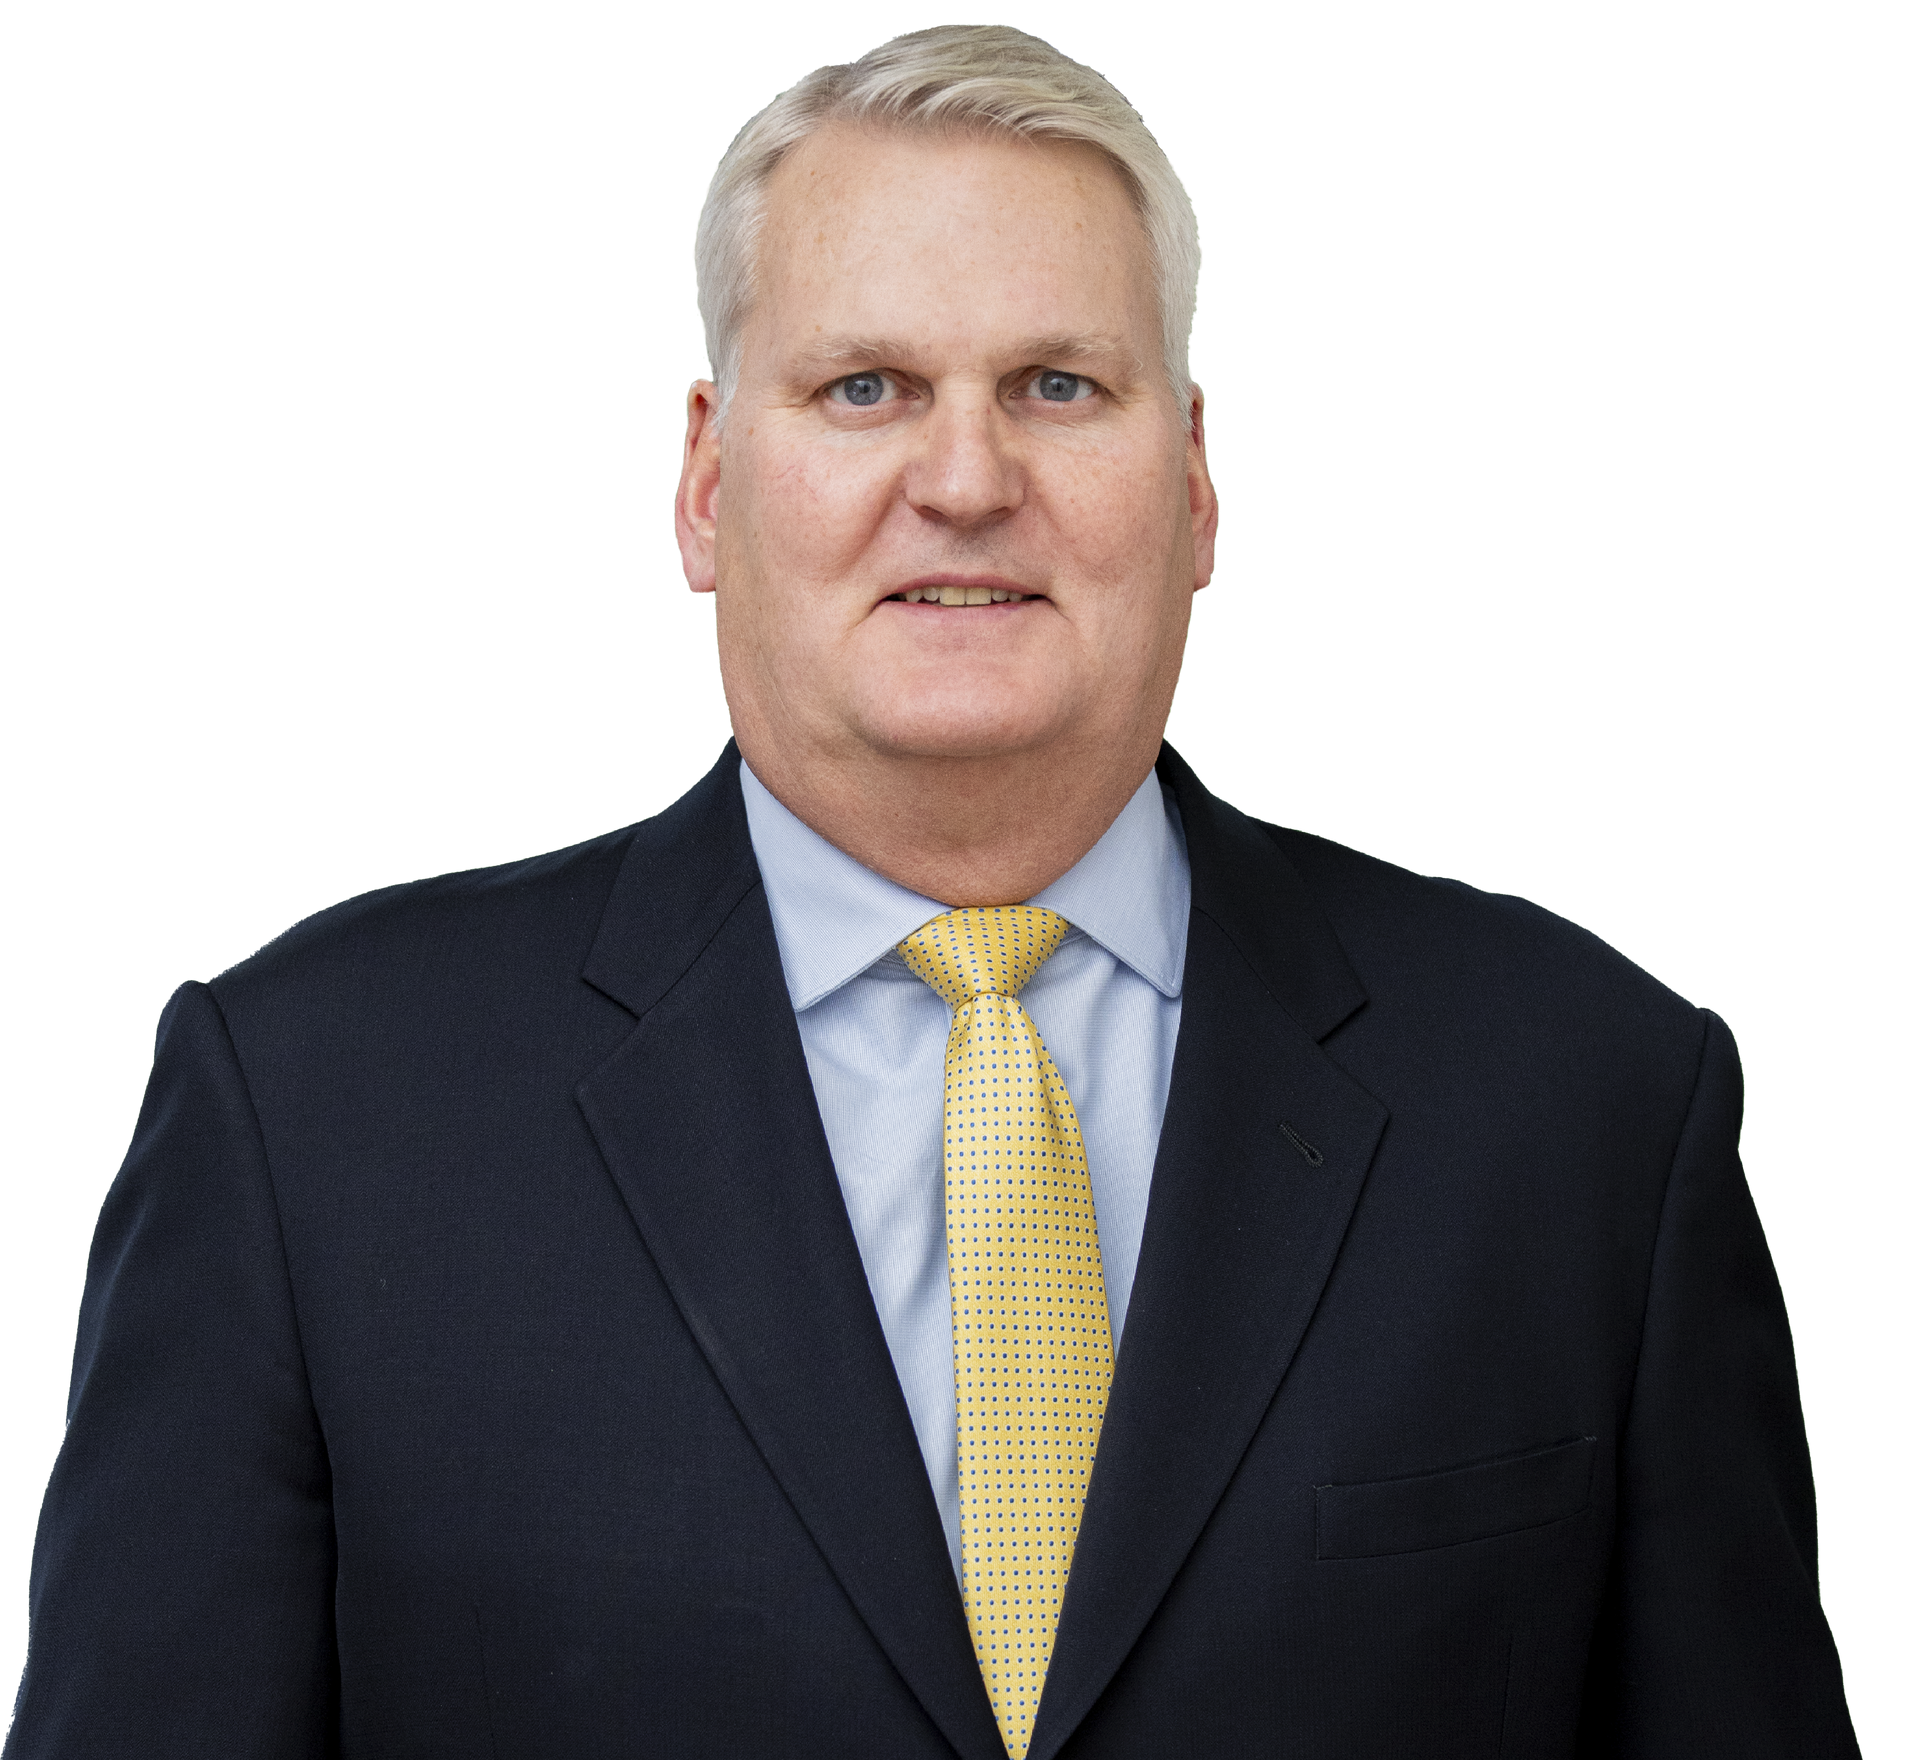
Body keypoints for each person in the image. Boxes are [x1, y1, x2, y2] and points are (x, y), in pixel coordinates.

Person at [6, 23, 1854, 1760]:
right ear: (710, 484)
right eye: (865, 386)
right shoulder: (308, 1106)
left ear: (1197, 485)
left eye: (1058, 384)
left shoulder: (1595, 1100)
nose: (964, 478)